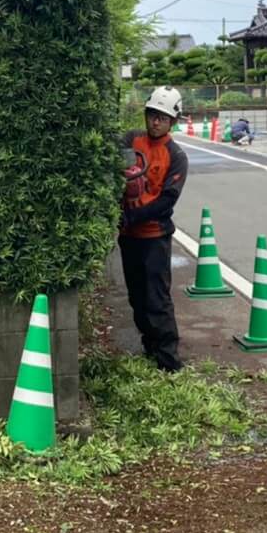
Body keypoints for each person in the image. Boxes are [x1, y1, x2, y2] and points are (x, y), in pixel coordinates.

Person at [119, 86, 189, 372]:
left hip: (154, 237)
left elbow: (167, 200)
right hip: (129, 237)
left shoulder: (176, 155)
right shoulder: (131, 140)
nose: (155, 122)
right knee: (136, 296)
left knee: (156, 299)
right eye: (152, 115)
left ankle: (169, 362)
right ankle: (150, 348)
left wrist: (134, 216)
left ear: (172, 121)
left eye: (162, 117)